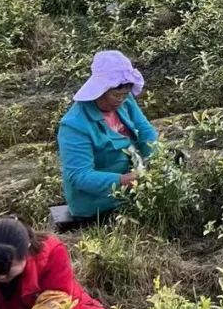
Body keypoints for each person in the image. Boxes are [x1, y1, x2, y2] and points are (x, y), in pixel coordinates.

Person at [56, 51, 158, 219]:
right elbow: (80, 176)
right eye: (116, 95)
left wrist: (156, 160)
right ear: (100, 90)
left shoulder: (125, 101)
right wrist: (123, 180)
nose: (121, 100)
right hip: (96, 201)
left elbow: (145, 132)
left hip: (131, 186)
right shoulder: (74, 125)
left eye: (125, 95)